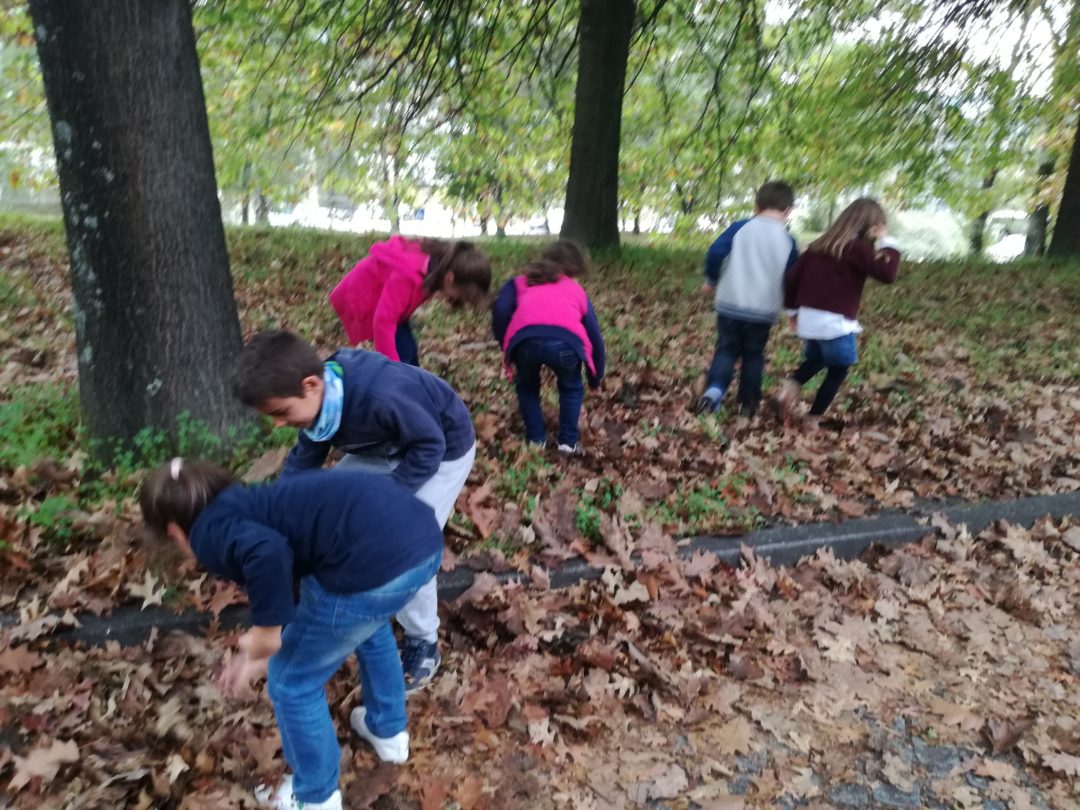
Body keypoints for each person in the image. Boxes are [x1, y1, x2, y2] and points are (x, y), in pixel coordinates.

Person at [139, 458, 444, 810]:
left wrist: (266, 636)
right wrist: (259, 653)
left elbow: (268, 554)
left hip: (371, 566)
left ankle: (315, 797)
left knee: (291, 681)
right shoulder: (250, 501)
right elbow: (286, 580)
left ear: (174, 531)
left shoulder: (207, 535)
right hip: (419, 542)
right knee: (367, 626)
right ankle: (388, 731)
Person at [232, 330, 476, 691]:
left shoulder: (380, 395)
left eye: (281, 412)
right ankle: (316, 595)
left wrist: (386, 500)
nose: (279, 423)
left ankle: (424, 639)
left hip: (440, 451)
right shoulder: (320, 408)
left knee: (407, 546)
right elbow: (304, 465)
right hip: (381, 447)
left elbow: (429, 445)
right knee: (325, 506)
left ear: (311, 384)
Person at [776, 197, 901, 427]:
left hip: (808, 317)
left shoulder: (818, 246)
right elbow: (888, 274)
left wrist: (793, 312)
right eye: (878, 227)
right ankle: (812, 419)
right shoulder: (858, 249)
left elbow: (792, 278)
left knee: (817, 358)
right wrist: (887, 241)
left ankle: (789, 388)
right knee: (839, 368)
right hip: (835, 321)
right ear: (871, 225)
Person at [696, 181, 799, 418]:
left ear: (757, 206)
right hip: (762, 310)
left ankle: (714, 391)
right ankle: (748, 404)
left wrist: (711, 280)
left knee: (726, 349)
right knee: (754, 355)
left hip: (730, 304)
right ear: (787, 211)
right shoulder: (788, 240)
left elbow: (715, 252)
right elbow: (793, 278)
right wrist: (792, 310)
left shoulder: (740, 228)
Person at [491, 241, 605, 454]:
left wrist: (505, 341)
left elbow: (501, 309)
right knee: (571, 388)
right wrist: (595, 378)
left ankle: (536, 441)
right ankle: (568, 444)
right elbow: (595, 336)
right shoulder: (575, 289)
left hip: (525, 340)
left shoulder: (519, 283)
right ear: (571, 270)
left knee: (526, 386)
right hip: (567, 342)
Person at [328, 236, 491, 366]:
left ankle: (412, 384)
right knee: (401, 354)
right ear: (450, 278)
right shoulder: (406, 278)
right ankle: (400, 390)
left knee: (409, 348)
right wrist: (393, 370)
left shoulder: (437, 267)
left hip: (391, 309)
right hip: (363, 298)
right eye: (461, 295)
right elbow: (383, 322)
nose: (457, 299)